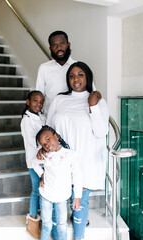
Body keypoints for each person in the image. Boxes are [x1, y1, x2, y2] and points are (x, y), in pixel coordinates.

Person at [44, 61, 109, 240]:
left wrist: (93, 105)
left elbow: (101, 131)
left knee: (79, 205)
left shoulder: (98, 101)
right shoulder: (59, 99)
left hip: (85, 161)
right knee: (58, 205)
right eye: (72, 76)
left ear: (87, 76)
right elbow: (47, 129)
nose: (76, 79)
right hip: (60, 162)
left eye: (80, 74)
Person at [35, 125, 82, 240]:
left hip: (62, 197)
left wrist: (77, 196)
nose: (47, 145)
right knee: (47, 225)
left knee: (62, 226)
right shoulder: (44, 154)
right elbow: (33, 163)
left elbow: (77, 176)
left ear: (56, 136)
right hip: (46, 195)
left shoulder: (70, 154)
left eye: (48, 139)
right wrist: (42, 175)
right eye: (43, 144)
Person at [20, 90, 46, 239]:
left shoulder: (40, 117)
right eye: (35, 101)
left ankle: (42, 217)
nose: (39, 104)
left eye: (41, 102)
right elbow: (33, 141)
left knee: (43, 189)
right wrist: (46, 147)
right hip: (34, 161)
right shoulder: (26, 120)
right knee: (36, 190)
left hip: (43, 160)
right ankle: (32, 221)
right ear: (28, 102)